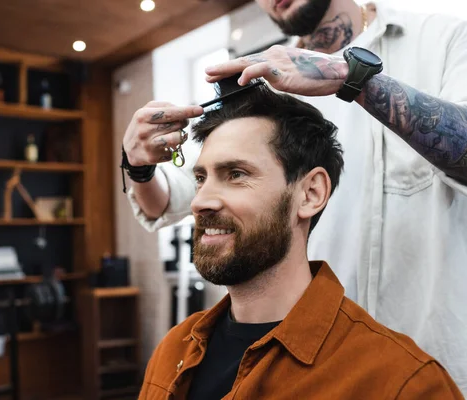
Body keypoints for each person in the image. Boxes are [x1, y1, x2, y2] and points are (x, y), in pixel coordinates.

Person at [121, 0, 467, 392]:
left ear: (314, 192)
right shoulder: (260, 79)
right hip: (290, 361)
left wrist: (353, 78)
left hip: (427, 364)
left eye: (236, 173)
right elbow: (174, 198)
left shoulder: (443, 39)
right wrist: (139, 166)